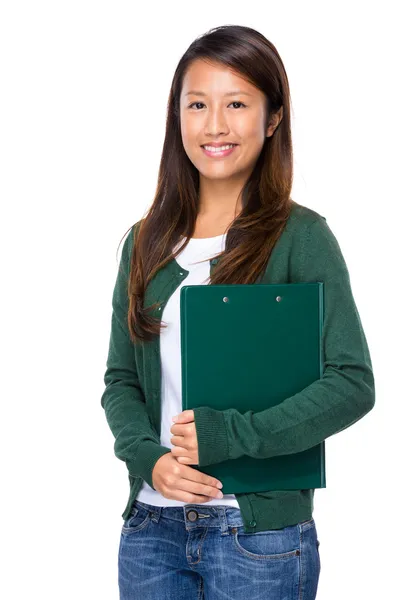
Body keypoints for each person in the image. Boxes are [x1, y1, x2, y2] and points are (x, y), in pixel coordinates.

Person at [101, 24, 375, 600]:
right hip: (152, 529)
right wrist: (148, 460)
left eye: (237, 104)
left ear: (272, 118)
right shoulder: (144, 241)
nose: (215, 125)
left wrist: (230, 435)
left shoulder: (301, 236)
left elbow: (352, 383)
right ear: (177, 116)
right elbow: (121, 381)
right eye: (197, 104)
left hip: (258, 535)